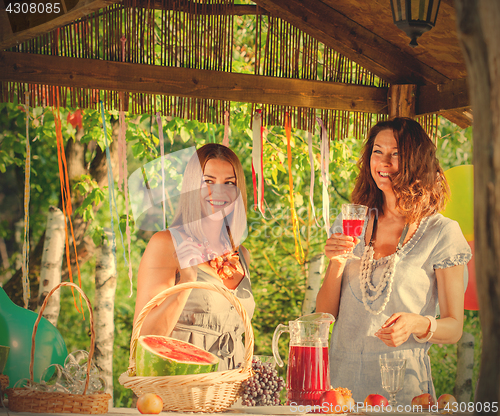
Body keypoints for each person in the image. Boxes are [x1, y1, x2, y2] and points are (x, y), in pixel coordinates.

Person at [316, 117, 471, 404]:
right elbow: (326, 315)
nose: (383, 162)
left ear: (417, 161)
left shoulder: (441, 233)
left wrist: (416, 323)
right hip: (339, 390)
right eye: (377, 151)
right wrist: (337, 262)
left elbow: (454, 328)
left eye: (396, 153)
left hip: (403, 391)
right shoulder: (352, 221)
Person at [134, 143, 254, 371]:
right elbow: (143, 337)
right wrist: (187, 282)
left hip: (232, 393)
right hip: (182, 391)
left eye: (229, 183)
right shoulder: (166, 245)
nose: (218, 192)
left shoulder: (242, 255)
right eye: (208, 181)